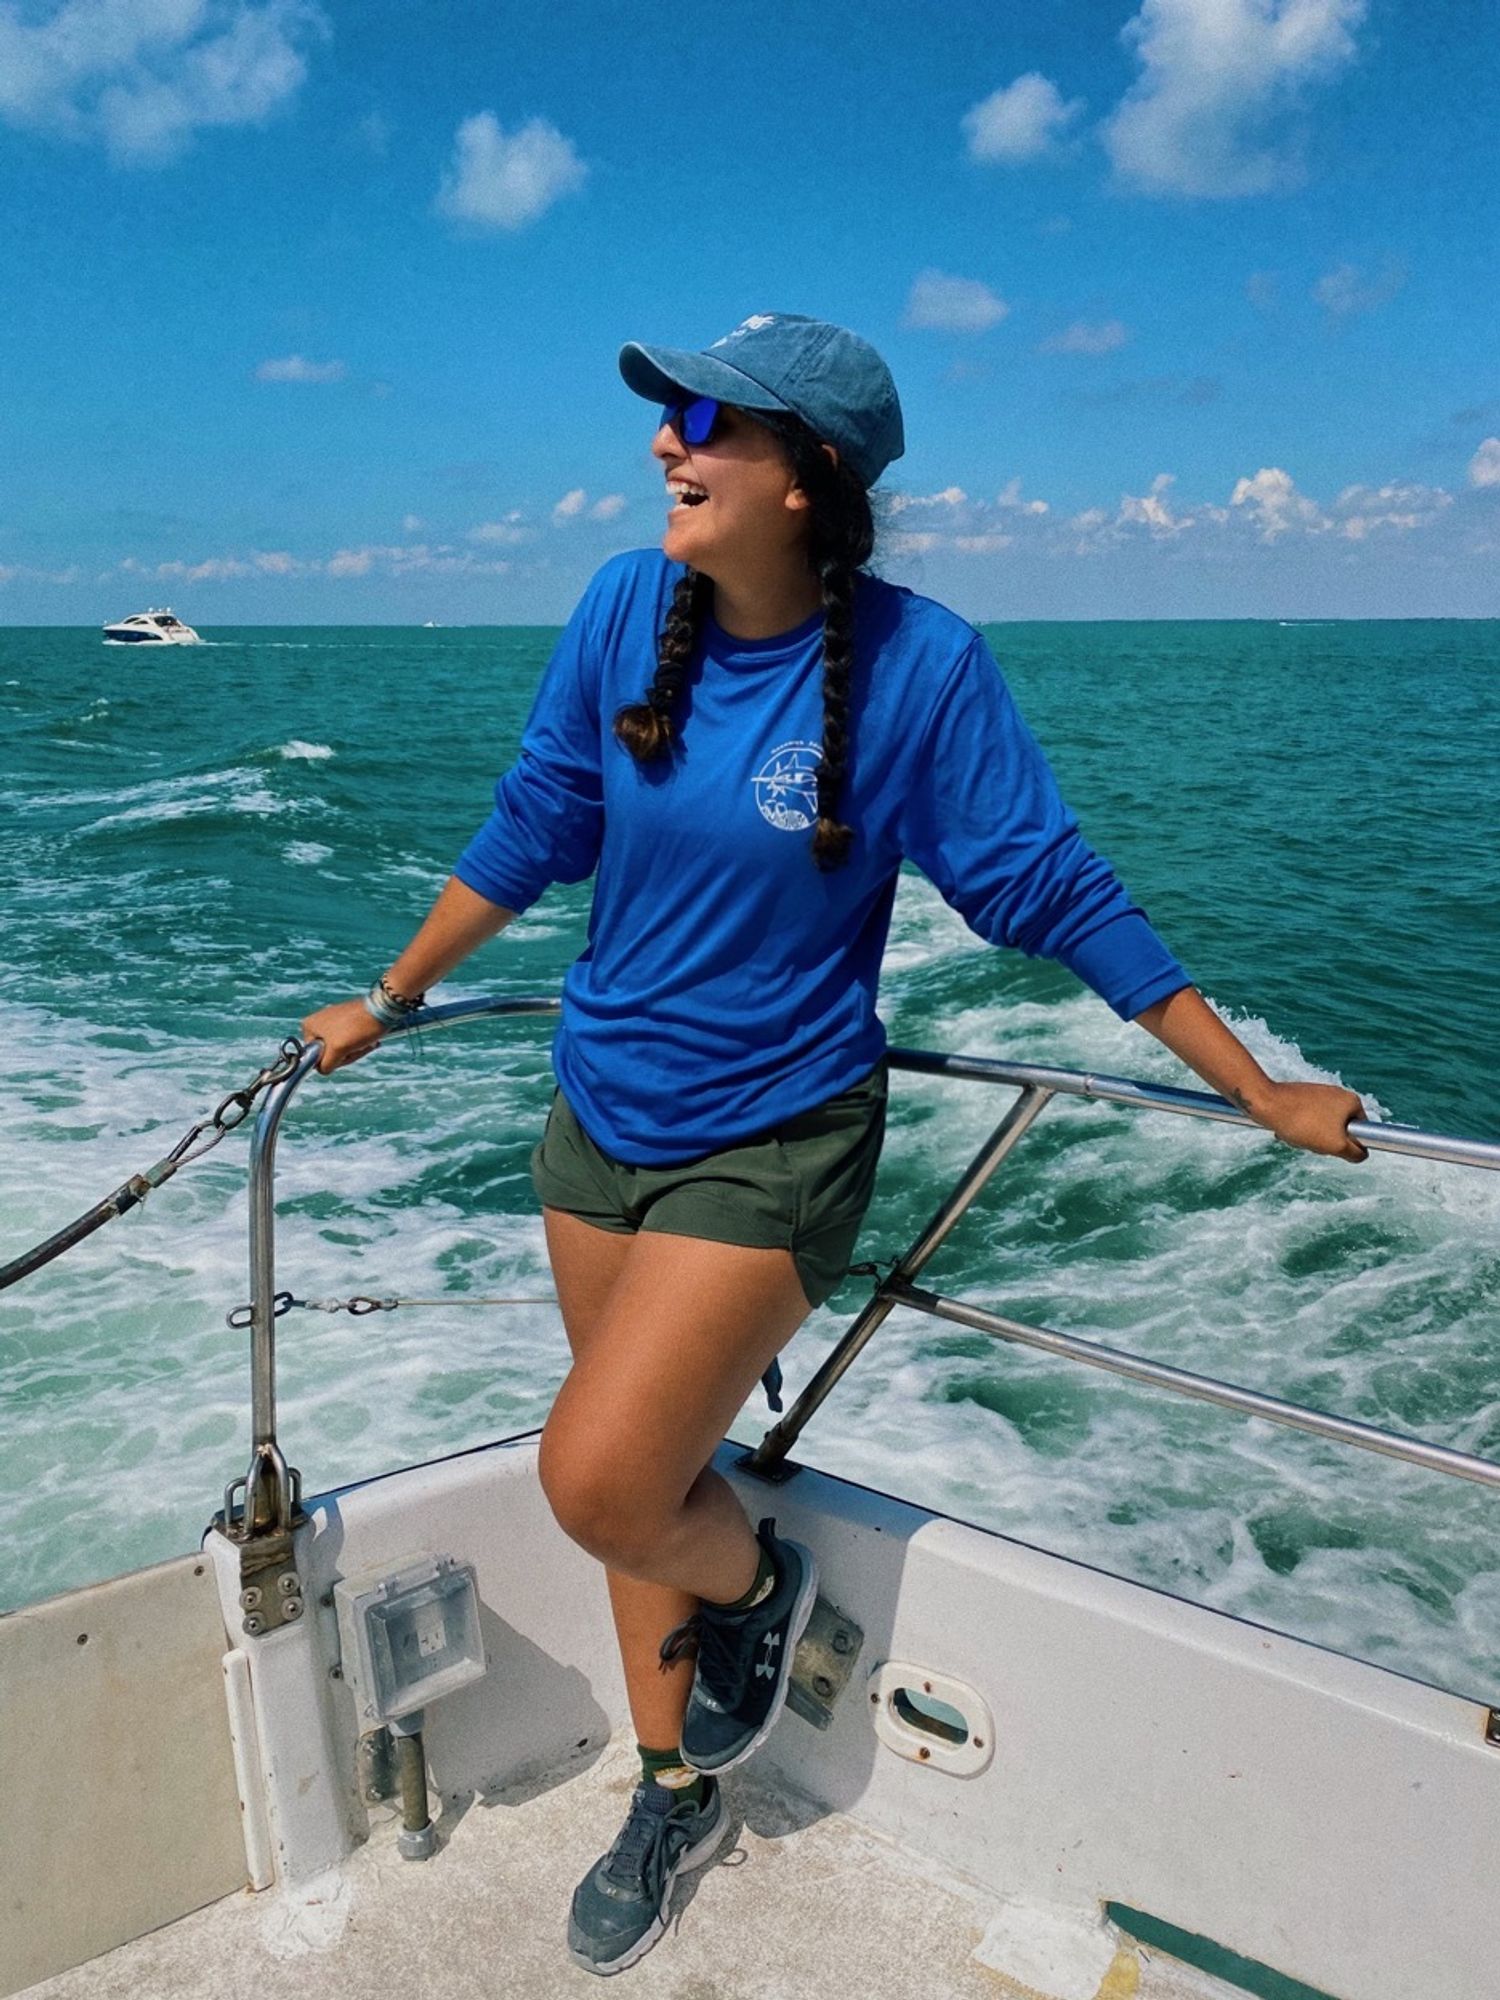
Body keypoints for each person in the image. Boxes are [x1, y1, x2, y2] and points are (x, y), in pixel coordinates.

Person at [301, 311, 1368, 1976]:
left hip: (776, 1139)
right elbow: (537, 824)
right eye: (669, 414)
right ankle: (674, 1790)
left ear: (806, 480)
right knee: (639, 1482)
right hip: (600, 1114)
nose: (670, 443)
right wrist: (388, 991)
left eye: (707, 421)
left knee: (599, 1480)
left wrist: (1254, 1087)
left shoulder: (924, 667)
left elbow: (1051, 890)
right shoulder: (618, 609)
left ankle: (750, 1597)